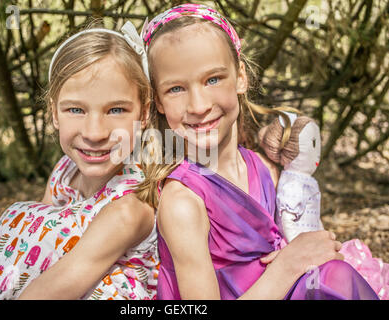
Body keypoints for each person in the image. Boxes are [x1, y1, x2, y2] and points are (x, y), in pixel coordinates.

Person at [135, 3, 379, 300]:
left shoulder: (265, 169)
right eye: (176, 89)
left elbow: (302, 243)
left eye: (213, 79)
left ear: (240, 77)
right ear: (158, 101)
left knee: (333, 276)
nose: (198, 106)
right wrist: (289, 264)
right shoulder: (183, 203)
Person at [0, 22, 158, 300]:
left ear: (143, 113)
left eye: (116, 109)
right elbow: (28, 258)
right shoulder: (64, 171)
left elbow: (50, 291)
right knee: (22, 219)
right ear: (54, 112)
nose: (95, 133)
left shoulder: (131, 206)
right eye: (76, 109)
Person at [259, 112, 389, 299]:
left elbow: (313, 216)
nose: (317, 152)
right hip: (299, 243)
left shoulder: (306, 181)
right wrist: (302, 245)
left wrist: (323, 236)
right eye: (312, 145)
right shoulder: (292, 184)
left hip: (314, 239)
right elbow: (288, 219)